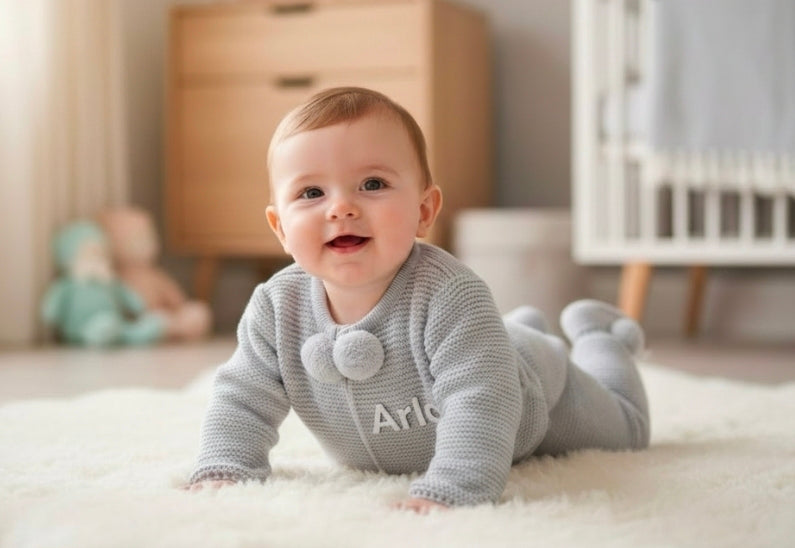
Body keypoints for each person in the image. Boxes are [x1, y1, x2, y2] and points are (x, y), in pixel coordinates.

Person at [187, 87, 650, 513]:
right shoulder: (275, 308)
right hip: (483, 343)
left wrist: (454, 486)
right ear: (280, 228)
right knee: (488, 341)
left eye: (372, 184)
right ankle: (519, 326)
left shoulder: (450, 294)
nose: (341, 207)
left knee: (627, 432)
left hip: (535, 391)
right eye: (311, 193)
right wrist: (226, 465)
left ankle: (600, 337)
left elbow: (480, 398)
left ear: (424, 210)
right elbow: (243, 397)